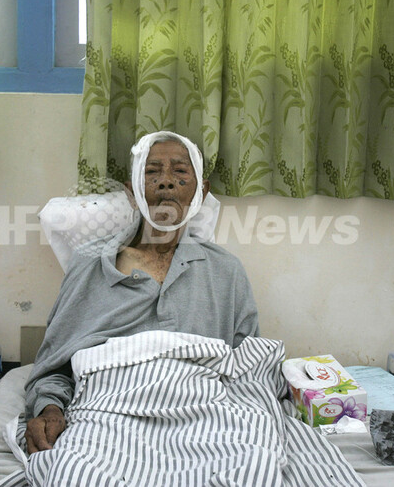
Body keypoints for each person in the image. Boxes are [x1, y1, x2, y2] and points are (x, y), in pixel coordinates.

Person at [23, 131, 260, 454]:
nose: (166, 182)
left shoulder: (225, 271)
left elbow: (249, 370)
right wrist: (50, 410)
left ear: (201, 192)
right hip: (105, 417)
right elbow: (53, 369)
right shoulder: (91, 265)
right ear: (132, 193)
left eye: (180, 171)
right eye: (151, 172)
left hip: (204, 419)